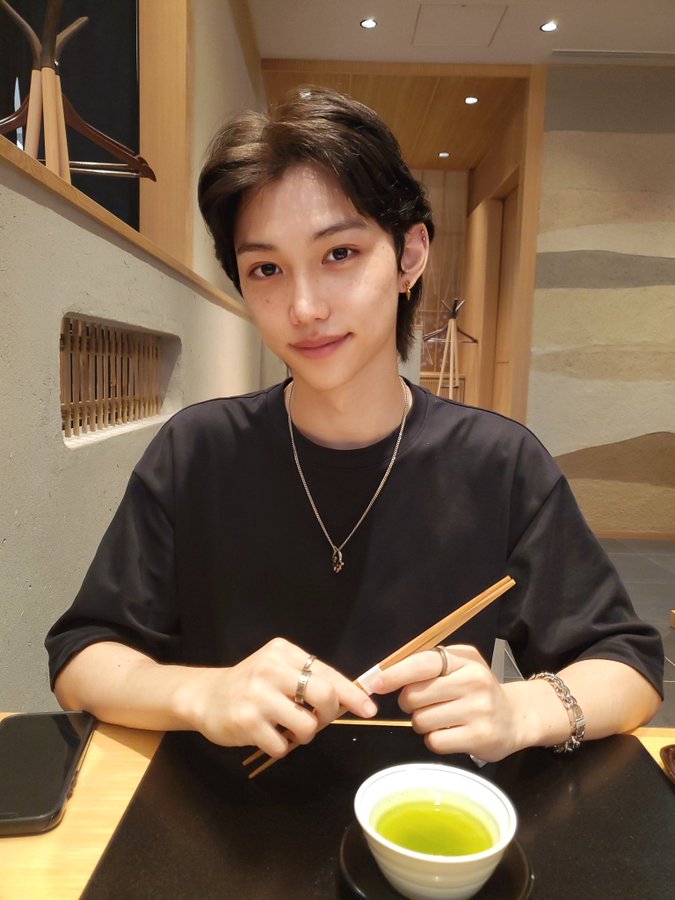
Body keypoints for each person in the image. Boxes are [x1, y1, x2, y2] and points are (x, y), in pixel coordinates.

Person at [46, 88, 663, 764]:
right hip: (221, 809)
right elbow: (83, 656)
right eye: (266, 269)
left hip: (421, 812)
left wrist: (520, 710)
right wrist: (202, 693)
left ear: (409, 256)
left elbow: (628, 667)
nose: (304, 307)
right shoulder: (198, 449)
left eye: (339, 253)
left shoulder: (497, 462)